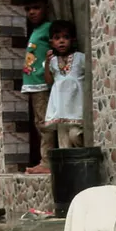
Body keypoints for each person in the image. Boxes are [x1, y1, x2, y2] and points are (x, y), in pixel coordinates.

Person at [17, 0, 55, 174]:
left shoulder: (48, 29)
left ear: (46, 7)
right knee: (40, 122)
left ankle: (47, 162)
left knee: (45, 123)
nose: (31, 12)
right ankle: (47, 160)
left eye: (36, 8)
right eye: (28, 9)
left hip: (42, 83)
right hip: (34, 85)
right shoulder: (37, 30)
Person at [42, 21, 85, 149]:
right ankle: (67, 168)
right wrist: (47, 63)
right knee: (63, 144)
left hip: (76, 109)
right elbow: (49, 81)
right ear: (51, 42)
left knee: (75, 135)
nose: (61, 41)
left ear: (73, 40)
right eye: (57, 38)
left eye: (65, 37)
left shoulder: (80, 58)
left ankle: (81, 163)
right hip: (60, 109)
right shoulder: (53, 61)